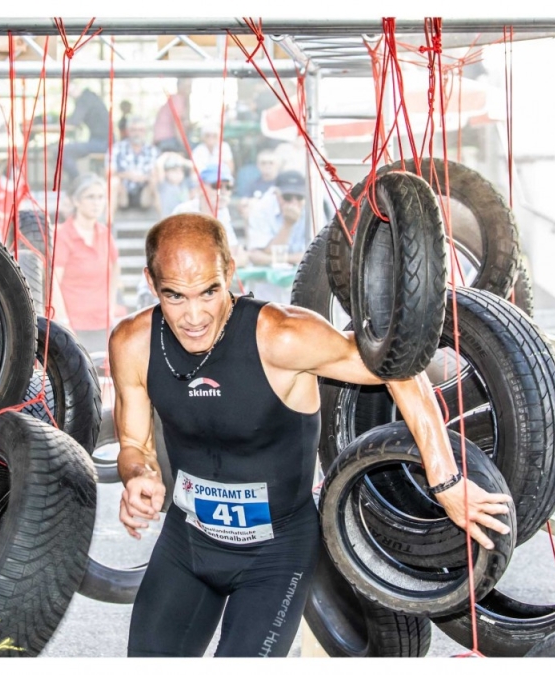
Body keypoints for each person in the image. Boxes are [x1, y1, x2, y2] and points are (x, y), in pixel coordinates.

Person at [108, 214, 513, 657]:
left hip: (275, 555)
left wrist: (447, 481)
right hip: (186, 544)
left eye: (209, 291)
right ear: (151, 283)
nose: (194, 316)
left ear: (231, 270)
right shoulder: (132, 342)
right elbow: (134, 445)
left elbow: (400, 370)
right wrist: (139, 476)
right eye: (175, 296)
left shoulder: (282, 336)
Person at [50, 173, 125, 354]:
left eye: (100, 197)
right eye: (90, 197)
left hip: (102, 323)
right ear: (76, 201)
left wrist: (110, 305)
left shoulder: (104, 233)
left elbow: (115, 269)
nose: (97, 202)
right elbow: (54, 284)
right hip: (74, 326)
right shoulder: (63, 235)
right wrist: (64, 321)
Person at [171, 164, 247, 269]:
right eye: (216, 186)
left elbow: (233, 251)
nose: (224, 192)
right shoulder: (185, 212)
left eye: (228, 187)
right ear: (200, 188)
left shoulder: (222, 212)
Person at [60, 81, 112, 182]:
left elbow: (74, 121)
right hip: (102, 141)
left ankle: (78, 182)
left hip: (102, 143)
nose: (68, 93)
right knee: (64, 151)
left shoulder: (84, 99)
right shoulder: (90, 98)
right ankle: (79, 182)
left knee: (62, 152)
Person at [109, 116, 160, 218]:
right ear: (128, 131)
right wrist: (127, 175)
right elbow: (109, 173)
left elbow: (157, 175)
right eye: (133, 130)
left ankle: (164, 223)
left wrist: (144, 178)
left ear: (145, 132)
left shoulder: (153, 150)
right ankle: (109, 223)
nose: (137, 133)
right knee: (113, 182)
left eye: (140, 130)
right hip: (123, 193)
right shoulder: (117, 148)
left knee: (155, 182)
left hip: (144, 194)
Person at [234, 145, 283, 221]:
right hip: (259, 222)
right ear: (258, 166)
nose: (267, 166)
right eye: (263, 163)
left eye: (271, 163)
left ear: (278, 165)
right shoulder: (253, 184)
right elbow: (242, 203)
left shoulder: (283, 183)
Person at [154, 79, 192, 154]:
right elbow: (177, 124)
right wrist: (184, 145)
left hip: (163, 140)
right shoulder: (177, 100)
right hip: (167, 140)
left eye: (190, 87)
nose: (190, 90)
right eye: (187, 87)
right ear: (180, 87)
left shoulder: (177, 99)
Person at [154, 153, 192, 218]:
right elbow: (159, 164)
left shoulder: (184, 184)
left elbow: (193, 166)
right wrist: (167, 154)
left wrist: (181, 159)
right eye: (174, 170)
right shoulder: (164, 185)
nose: (178, 173)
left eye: (181, 171)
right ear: (166, 172)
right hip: (168, 221)